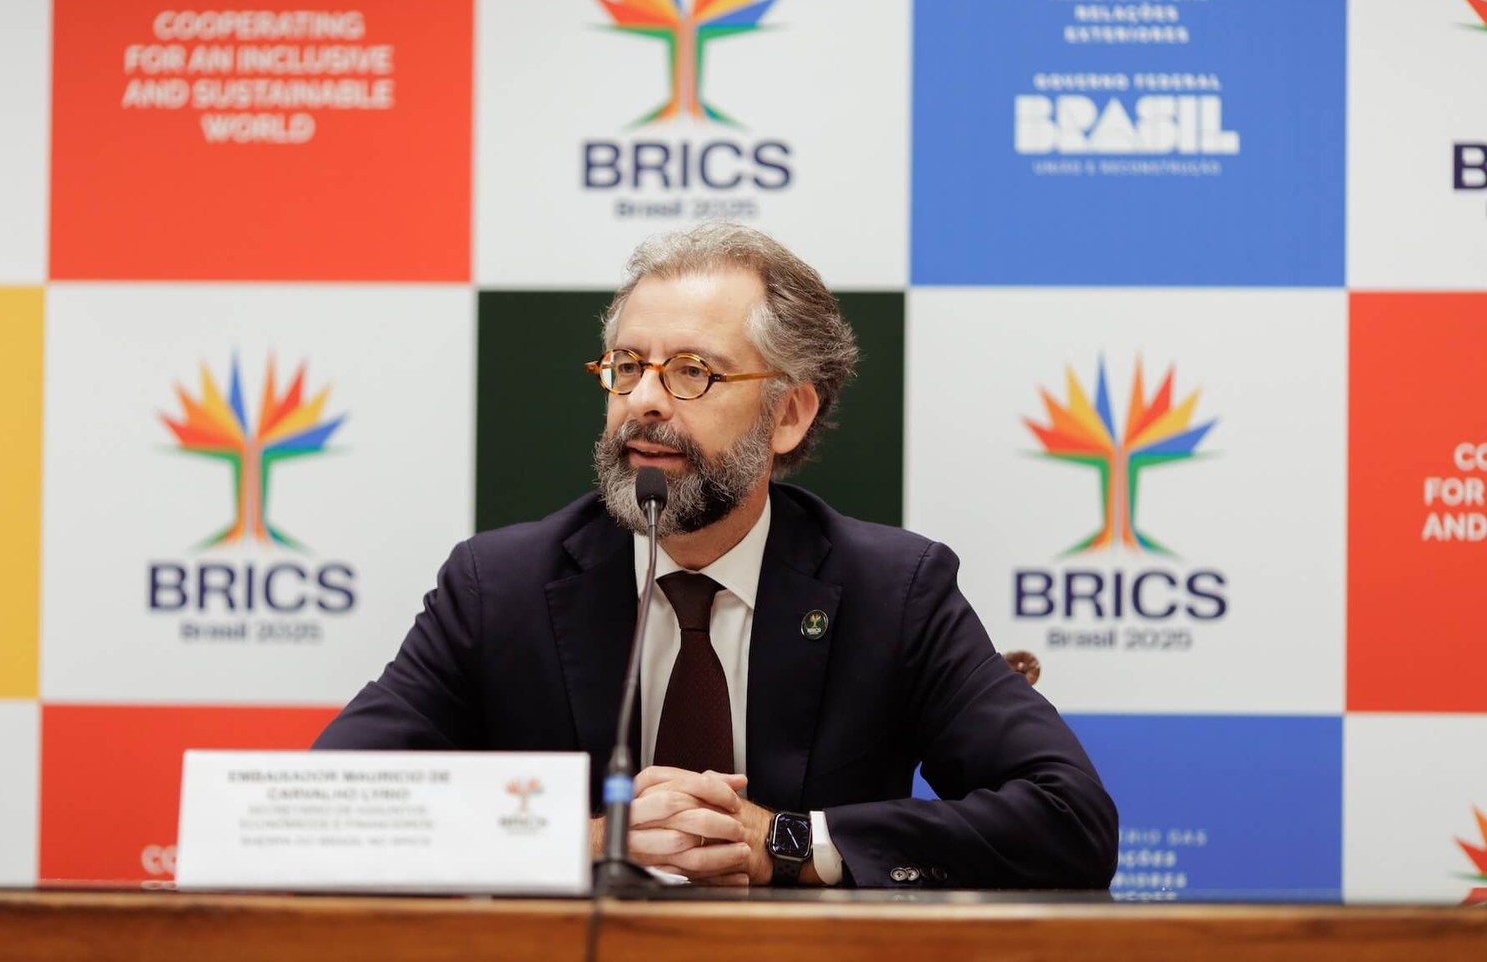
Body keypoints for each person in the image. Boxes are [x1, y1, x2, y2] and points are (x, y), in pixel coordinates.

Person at [315, 222, 1117, 889]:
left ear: (790, 414)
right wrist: (592, 840)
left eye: (692, 371)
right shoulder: (501, 586)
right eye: (627, 367)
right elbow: (329, 808)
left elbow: (1071, 821)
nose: (644, 400)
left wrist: (789, 843)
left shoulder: (891, 590)